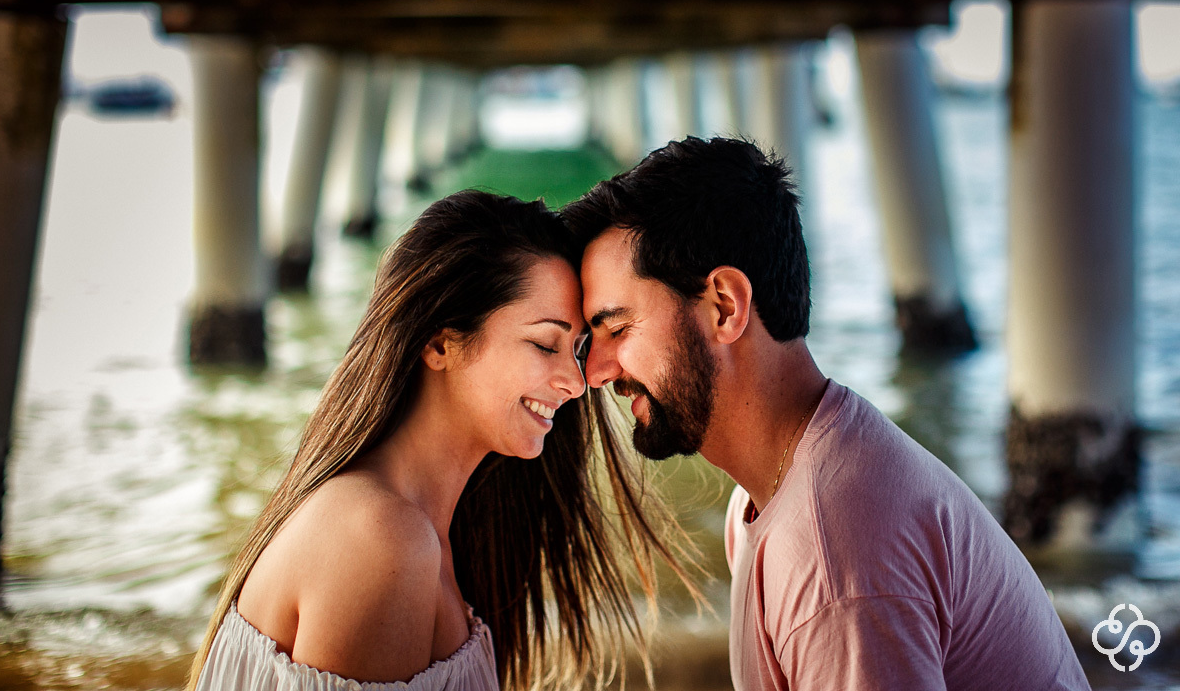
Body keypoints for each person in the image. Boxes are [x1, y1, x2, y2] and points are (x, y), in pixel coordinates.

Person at [563, 136, 1091, 691]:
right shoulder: (773, 490)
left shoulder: (833, 548)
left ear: (724, 306)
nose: (593, 372)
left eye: (617, 329)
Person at [187, 190, 692, 691]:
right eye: (544, 344)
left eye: (577, 350)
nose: (576, 382)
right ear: (438, 343)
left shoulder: (427, 526)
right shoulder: (381, 538)